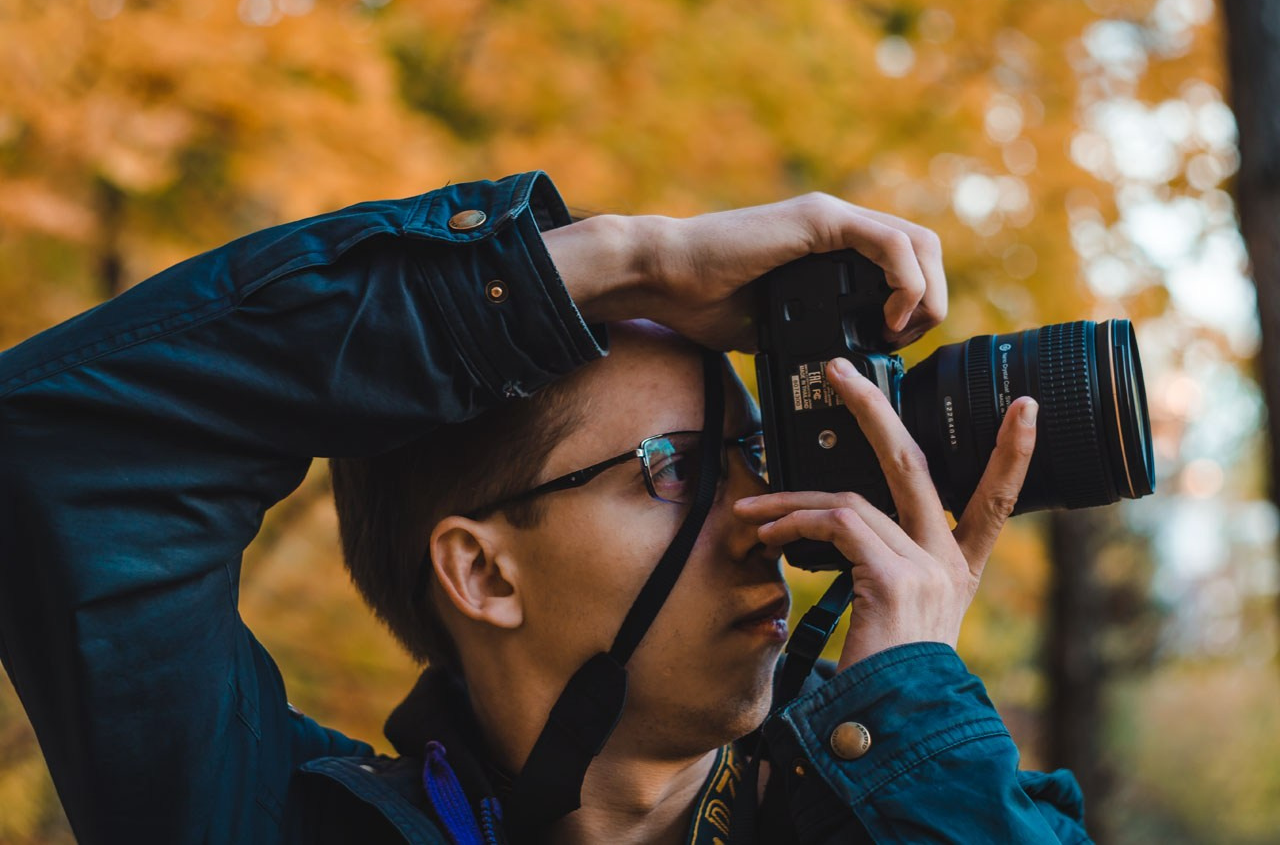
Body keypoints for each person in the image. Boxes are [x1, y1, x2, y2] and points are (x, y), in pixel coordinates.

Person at [0, 171, 1089, 844]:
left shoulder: (910, 806)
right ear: (481, 572)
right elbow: (59, 448)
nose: (765, 516)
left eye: (753, 457)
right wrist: (620, 259)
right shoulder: (260, 818)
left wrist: (906, 724)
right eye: (676, 469)